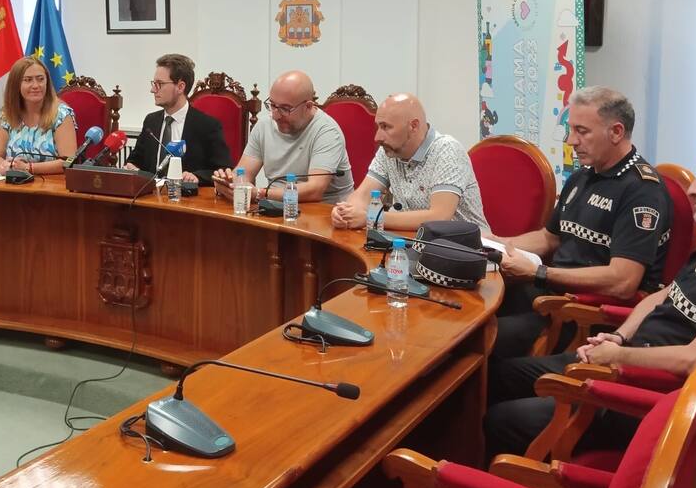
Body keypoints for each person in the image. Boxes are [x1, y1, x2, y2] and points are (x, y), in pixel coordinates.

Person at [485, 142, 696, 458]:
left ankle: (496, 484)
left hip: (664, 401)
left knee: (502, 419)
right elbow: (662, 295)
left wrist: (620, 355)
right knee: (496, 377)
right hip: (632, 362)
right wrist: (619, 337)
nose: (693, 189)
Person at [489, 86, 672, 359]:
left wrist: (539, 273)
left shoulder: (643, 191)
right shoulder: (584, 175)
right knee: (468, 312)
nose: (570, 140)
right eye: (570, 129)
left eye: (581, 131)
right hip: (550, 292)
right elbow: (549, 238)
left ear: (616, 132)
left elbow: (623, 281)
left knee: (479, 340)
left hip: (582, 313)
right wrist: (498, 243)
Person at [331, 93, 489, 232]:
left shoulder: (447, 150)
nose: (377, 137)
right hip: (414, 240)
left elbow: (440, 216)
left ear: (413, 126)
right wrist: (345, 212)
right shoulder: (389, 150)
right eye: (378, 127)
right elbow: (363, 195)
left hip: (467, 248)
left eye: (386, 127)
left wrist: (373, 217)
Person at [213, 70, 353, 205]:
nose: (275, 115)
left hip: (324, 212)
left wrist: (260, 193)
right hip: (275, 207)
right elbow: (243, 174)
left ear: (308, 106)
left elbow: (314, 190)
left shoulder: (327, 131)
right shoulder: (264, 125)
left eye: (285, 109)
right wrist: (229, 183)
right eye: (273, 105)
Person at [124, 53, 232, 185]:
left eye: (159, 84)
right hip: (151, 194)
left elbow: (223, 170)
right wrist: (132, 168)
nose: (153, 90)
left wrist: (196, 176)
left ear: (180, 87)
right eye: (154, 83)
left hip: (186, 195)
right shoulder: (151, 121)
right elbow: (134, 160)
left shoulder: (207, 125)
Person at [0, 56, 77, 176]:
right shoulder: (10, 115)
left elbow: (68, 161)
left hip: (52, 184)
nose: (35, 85)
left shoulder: (61, 115)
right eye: (28, 80)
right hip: (16, 184)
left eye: (40, 79)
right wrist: (5, 165)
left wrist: (28, 168)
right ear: (16, 85)